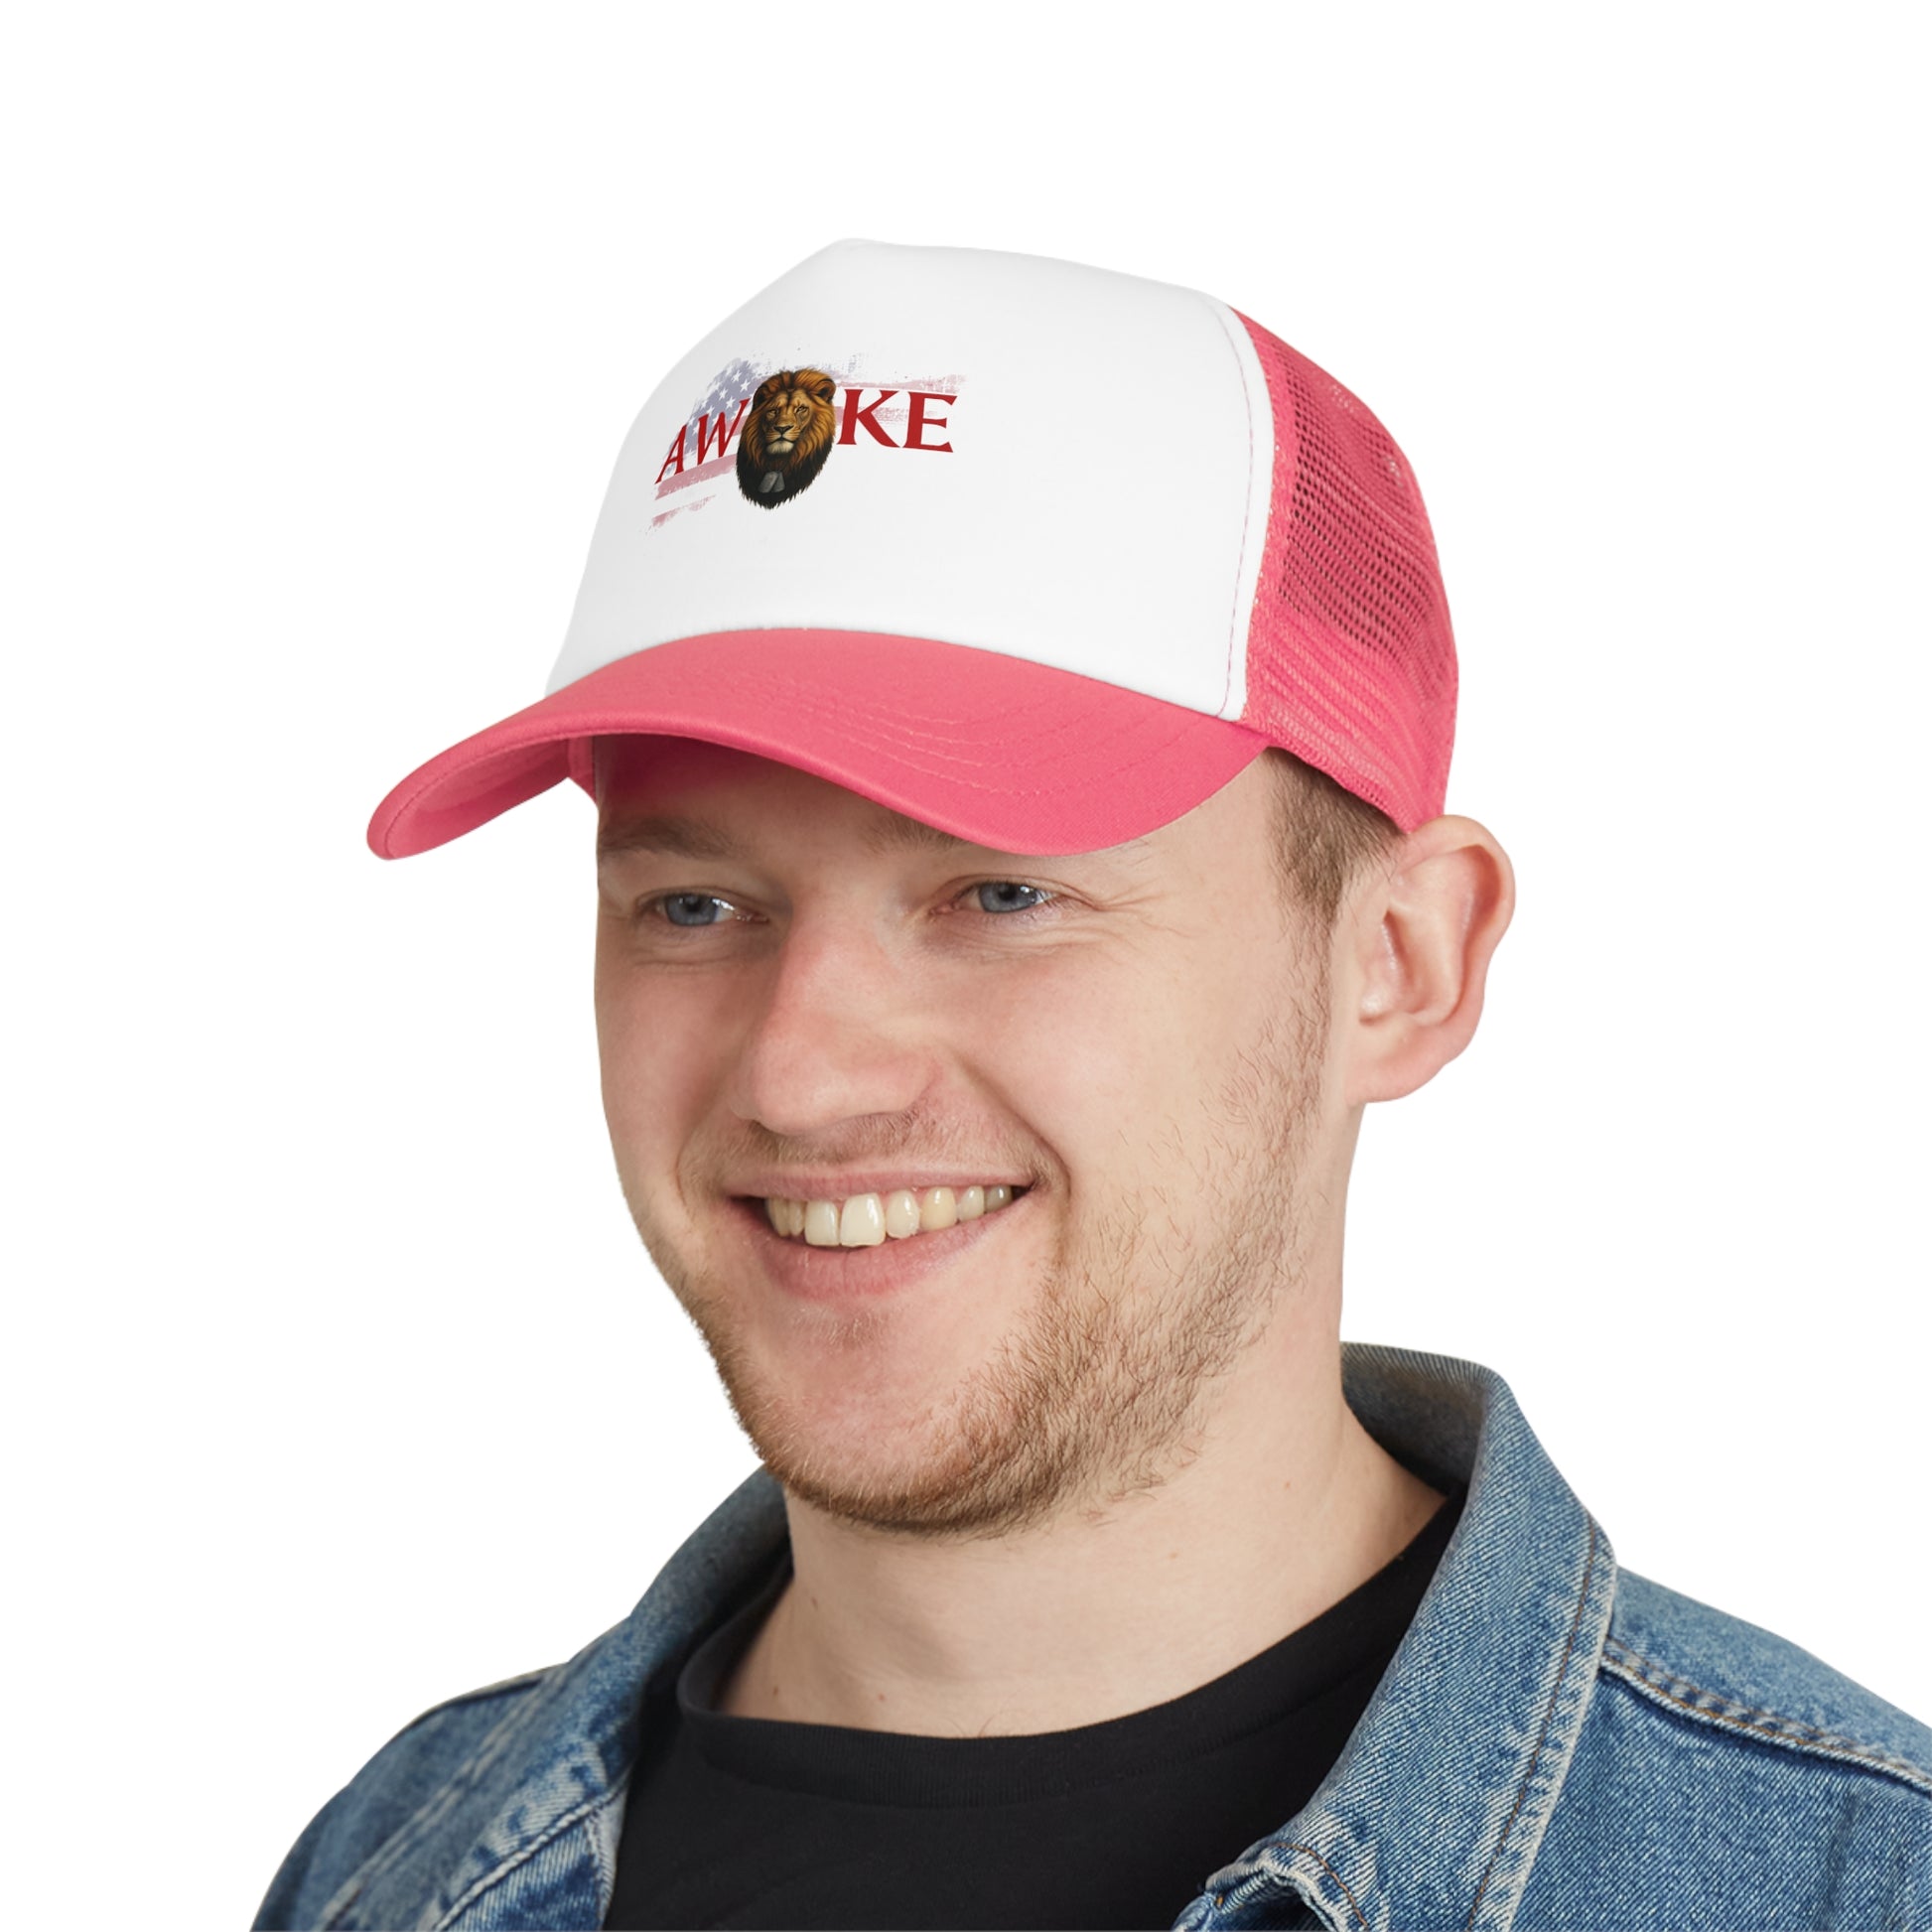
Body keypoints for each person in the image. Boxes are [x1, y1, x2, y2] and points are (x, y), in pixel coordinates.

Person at [254, 241, 1931, 1932]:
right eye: (693, 906)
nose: (800, 1073)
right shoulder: (389, 1866)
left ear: (1401, 960)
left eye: (1000, 893)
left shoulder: (1853, 1889)